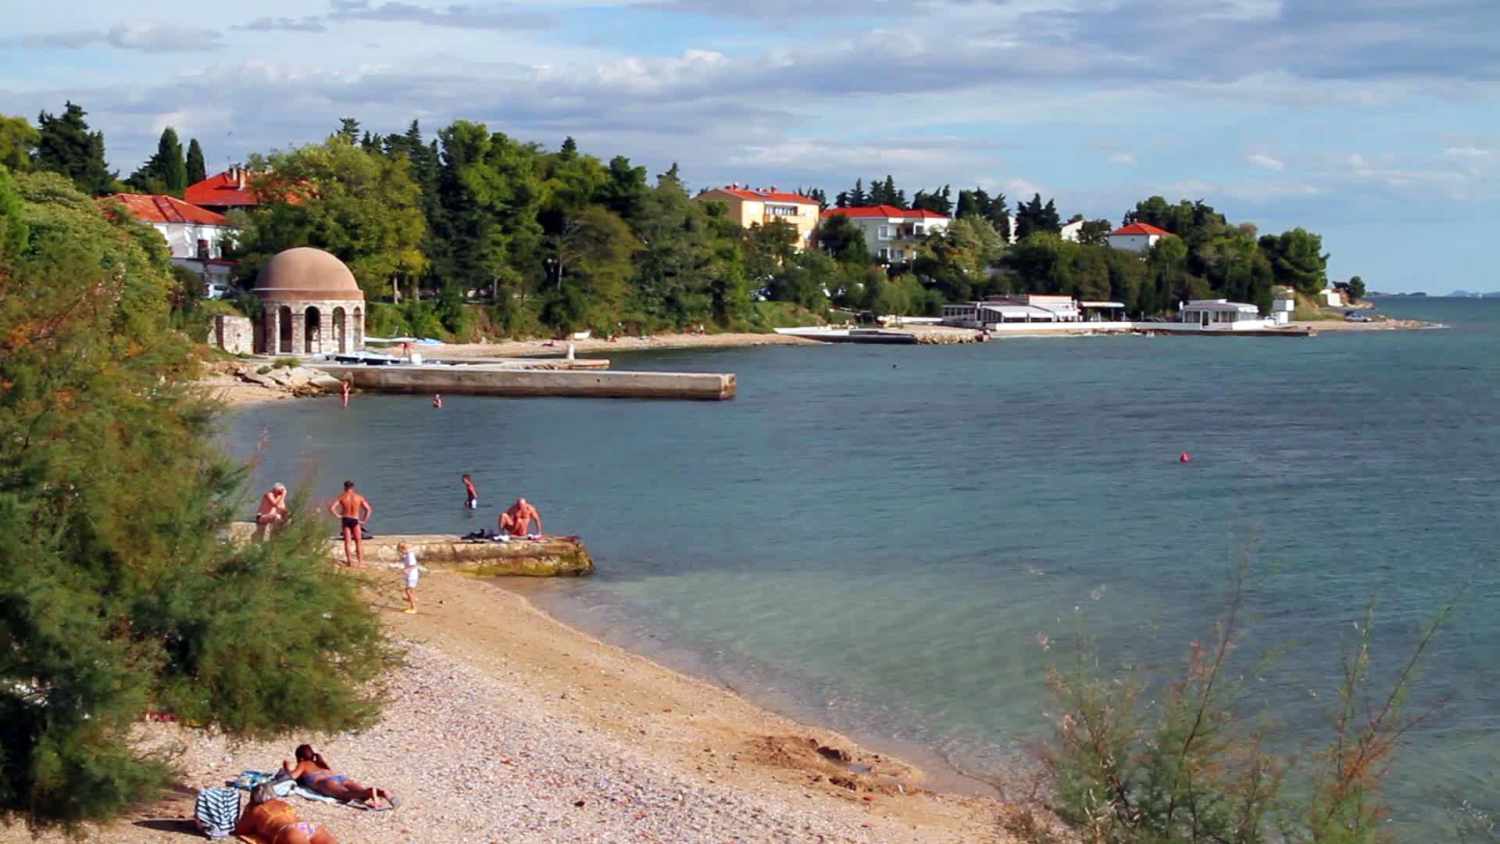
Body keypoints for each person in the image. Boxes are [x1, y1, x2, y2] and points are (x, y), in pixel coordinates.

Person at [281, 745, 398, 810]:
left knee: (346, 795)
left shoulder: (303, 764)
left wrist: (286, 767)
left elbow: (292, 777)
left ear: (300, 757)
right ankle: (382, 793)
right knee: (360, 792)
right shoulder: (321, 764)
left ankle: (371, 792)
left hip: (325, 782)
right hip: (339, 777)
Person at [235, 783, 338, 844]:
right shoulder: (282, 803)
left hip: (289, 831)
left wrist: (248, 808)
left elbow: (240, 830)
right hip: (309, 827)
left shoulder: (256, 810)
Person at [328, 481, 372, 567]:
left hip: (346, 519)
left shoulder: (342, 497)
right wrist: (364, 520)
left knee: (347, 542)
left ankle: (349, 561)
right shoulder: (359, 497)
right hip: (355, 519)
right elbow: (368, 509)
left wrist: (338, 515)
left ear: (345, 487)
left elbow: (332, 508)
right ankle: (360, 562)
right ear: (353, 487)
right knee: (358, 541)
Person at [399, 542, 420, 614]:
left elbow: (413, 565)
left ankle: (413, 607)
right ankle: (412, 599)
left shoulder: (410, 555)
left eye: (400, 550)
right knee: (410, 590)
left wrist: (407, 570)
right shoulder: (407, 555)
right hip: (411, 575)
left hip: (412, 576)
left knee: (408, 591)